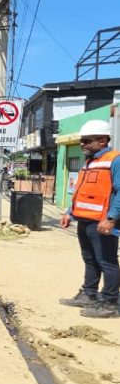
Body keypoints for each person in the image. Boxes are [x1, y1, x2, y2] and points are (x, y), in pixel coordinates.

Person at [59, 120, 120, 319]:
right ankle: (89, 294)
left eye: (86, 141)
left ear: (102, 140)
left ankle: (110, 303)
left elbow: (119, 192)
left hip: (102, 222)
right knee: (90, 259)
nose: (82, 144)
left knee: (107, 262)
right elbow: (81, 192)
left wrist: (112, 218)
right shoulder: (90, 161)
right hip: (84, 220)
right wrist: (70, 212)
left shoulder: (115, 160)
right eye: (81, 141)